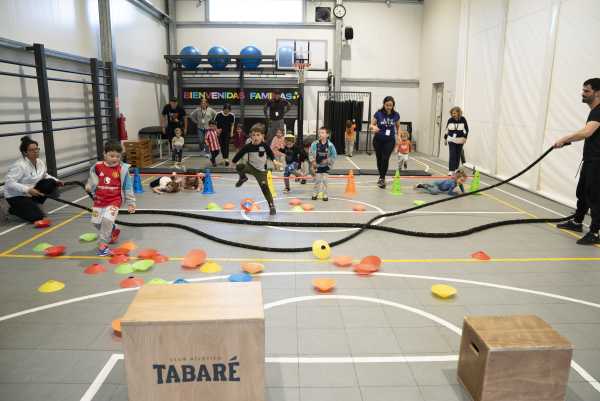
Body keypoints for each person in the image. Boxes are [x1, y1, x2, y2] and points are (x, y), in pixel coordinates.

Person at [554, 78, 600, 245]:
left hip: (597, 162)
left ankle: (594, 232)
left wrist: (565, 138)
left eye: (587, 91)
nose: (583, 94)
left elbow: (587, 132)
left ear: (597, 93)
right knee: (582, 193)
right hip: (590, 160)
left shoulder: (598, 111)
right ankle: (577, 222)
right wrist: (569, 140)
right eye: (583, 90)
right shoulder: (594, 111)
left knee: (595, 197)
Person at [85, 142, 136, 256]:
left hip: (114, 201)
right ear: (105, 154)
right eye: (112, 156)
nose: (115, 159)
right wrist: (89, 185)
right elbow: (92, 179)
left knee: (107, 220)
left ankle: (103, 245)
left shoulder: (122, 169)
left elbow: (128, 187)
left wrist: (131, 203)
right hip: (99, 201)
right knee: (96, 223)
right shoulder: (97, 167)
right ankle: (113, 228)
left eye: (118, 156)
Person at [4, 136, 63, 223]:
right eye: (31, 150)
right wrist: (28, 189)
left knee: (51, 182)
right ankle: (13, 210)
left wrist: (56, 181)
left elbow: (45, 175)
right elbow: (9, 183)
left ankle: (34, 204)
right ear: (25, 153)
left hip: (30, 193)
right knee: (38, 217)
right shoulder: (19, 165)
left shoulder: (40, 162)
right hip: (16, 196)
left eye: (36, 149)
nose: (35, 151)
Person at [232, 123, 280, 215]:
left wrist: (274, 161)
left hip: (261, 171)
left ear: (262, 136)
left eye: (258, 135)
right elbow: (240, 153)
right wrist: (233, 162)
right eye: (253, 135)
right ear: (251, 136)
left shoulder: (264, 146)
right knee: (239, 166)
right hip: (250, 167)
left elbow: (270, 153)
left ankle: (271, 206)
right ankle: (243, 177)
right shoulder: (248, 146)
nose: (255, 137)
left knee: (265, 188)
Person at [371, 96, 401, 188]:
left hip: (389, 141)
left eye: (390, 105)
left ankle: (382, 178)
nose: (388, 107)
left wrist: (399, 136)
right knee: (379, 159)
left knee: (385, 158)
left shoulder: (396, 115)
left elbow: (398, 127)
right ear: (384, 104)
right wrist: (374, 127)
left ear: (393, 105)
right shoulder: (378, 114)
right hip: (378, 140)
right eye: (387, 105)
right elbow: (371, 125)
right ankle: (381, 176)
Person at [309, 127, 337, 201]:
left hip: (326, 166)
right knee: (317, 180)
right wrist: (313, 162)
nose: (320, 134)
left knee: (325, 180)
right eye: (319, 133)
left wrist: (328, 160)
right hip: (317, 166)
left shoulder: (330, 145)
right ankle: (315, 193)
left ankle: (325, 194)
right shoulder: (314, 144)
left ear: (327, 135)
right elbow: (310, 153)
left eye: (322, 133)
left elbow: (334, 156)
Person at [444, 106, 469, 175]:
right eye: (452, 113)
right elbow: (447, 130)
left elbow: (466, 129)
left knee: (458, 155)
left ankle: (456, 169)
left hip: (460, 140)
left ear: (458, 113)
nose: (453, 115)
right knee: (452, 154)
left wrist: (465, 138)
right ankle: (451, 170)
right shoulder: (450, 120)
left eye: (454, 113)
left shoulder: (463, 119)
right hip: (451, 140)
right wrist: (445, 139)